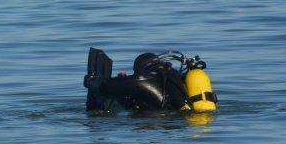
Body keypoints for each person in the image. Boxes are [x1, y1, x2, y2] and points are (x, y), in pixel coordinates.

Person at [84, 48, 216, 112]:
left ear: (140, 70)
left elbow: (105, 87)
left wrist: (90, 80)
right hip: (184, 120)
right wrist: (122, 85)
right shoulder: (171, 76)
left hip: (167, 120)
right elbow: (133, 101)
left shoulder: (145, 79)